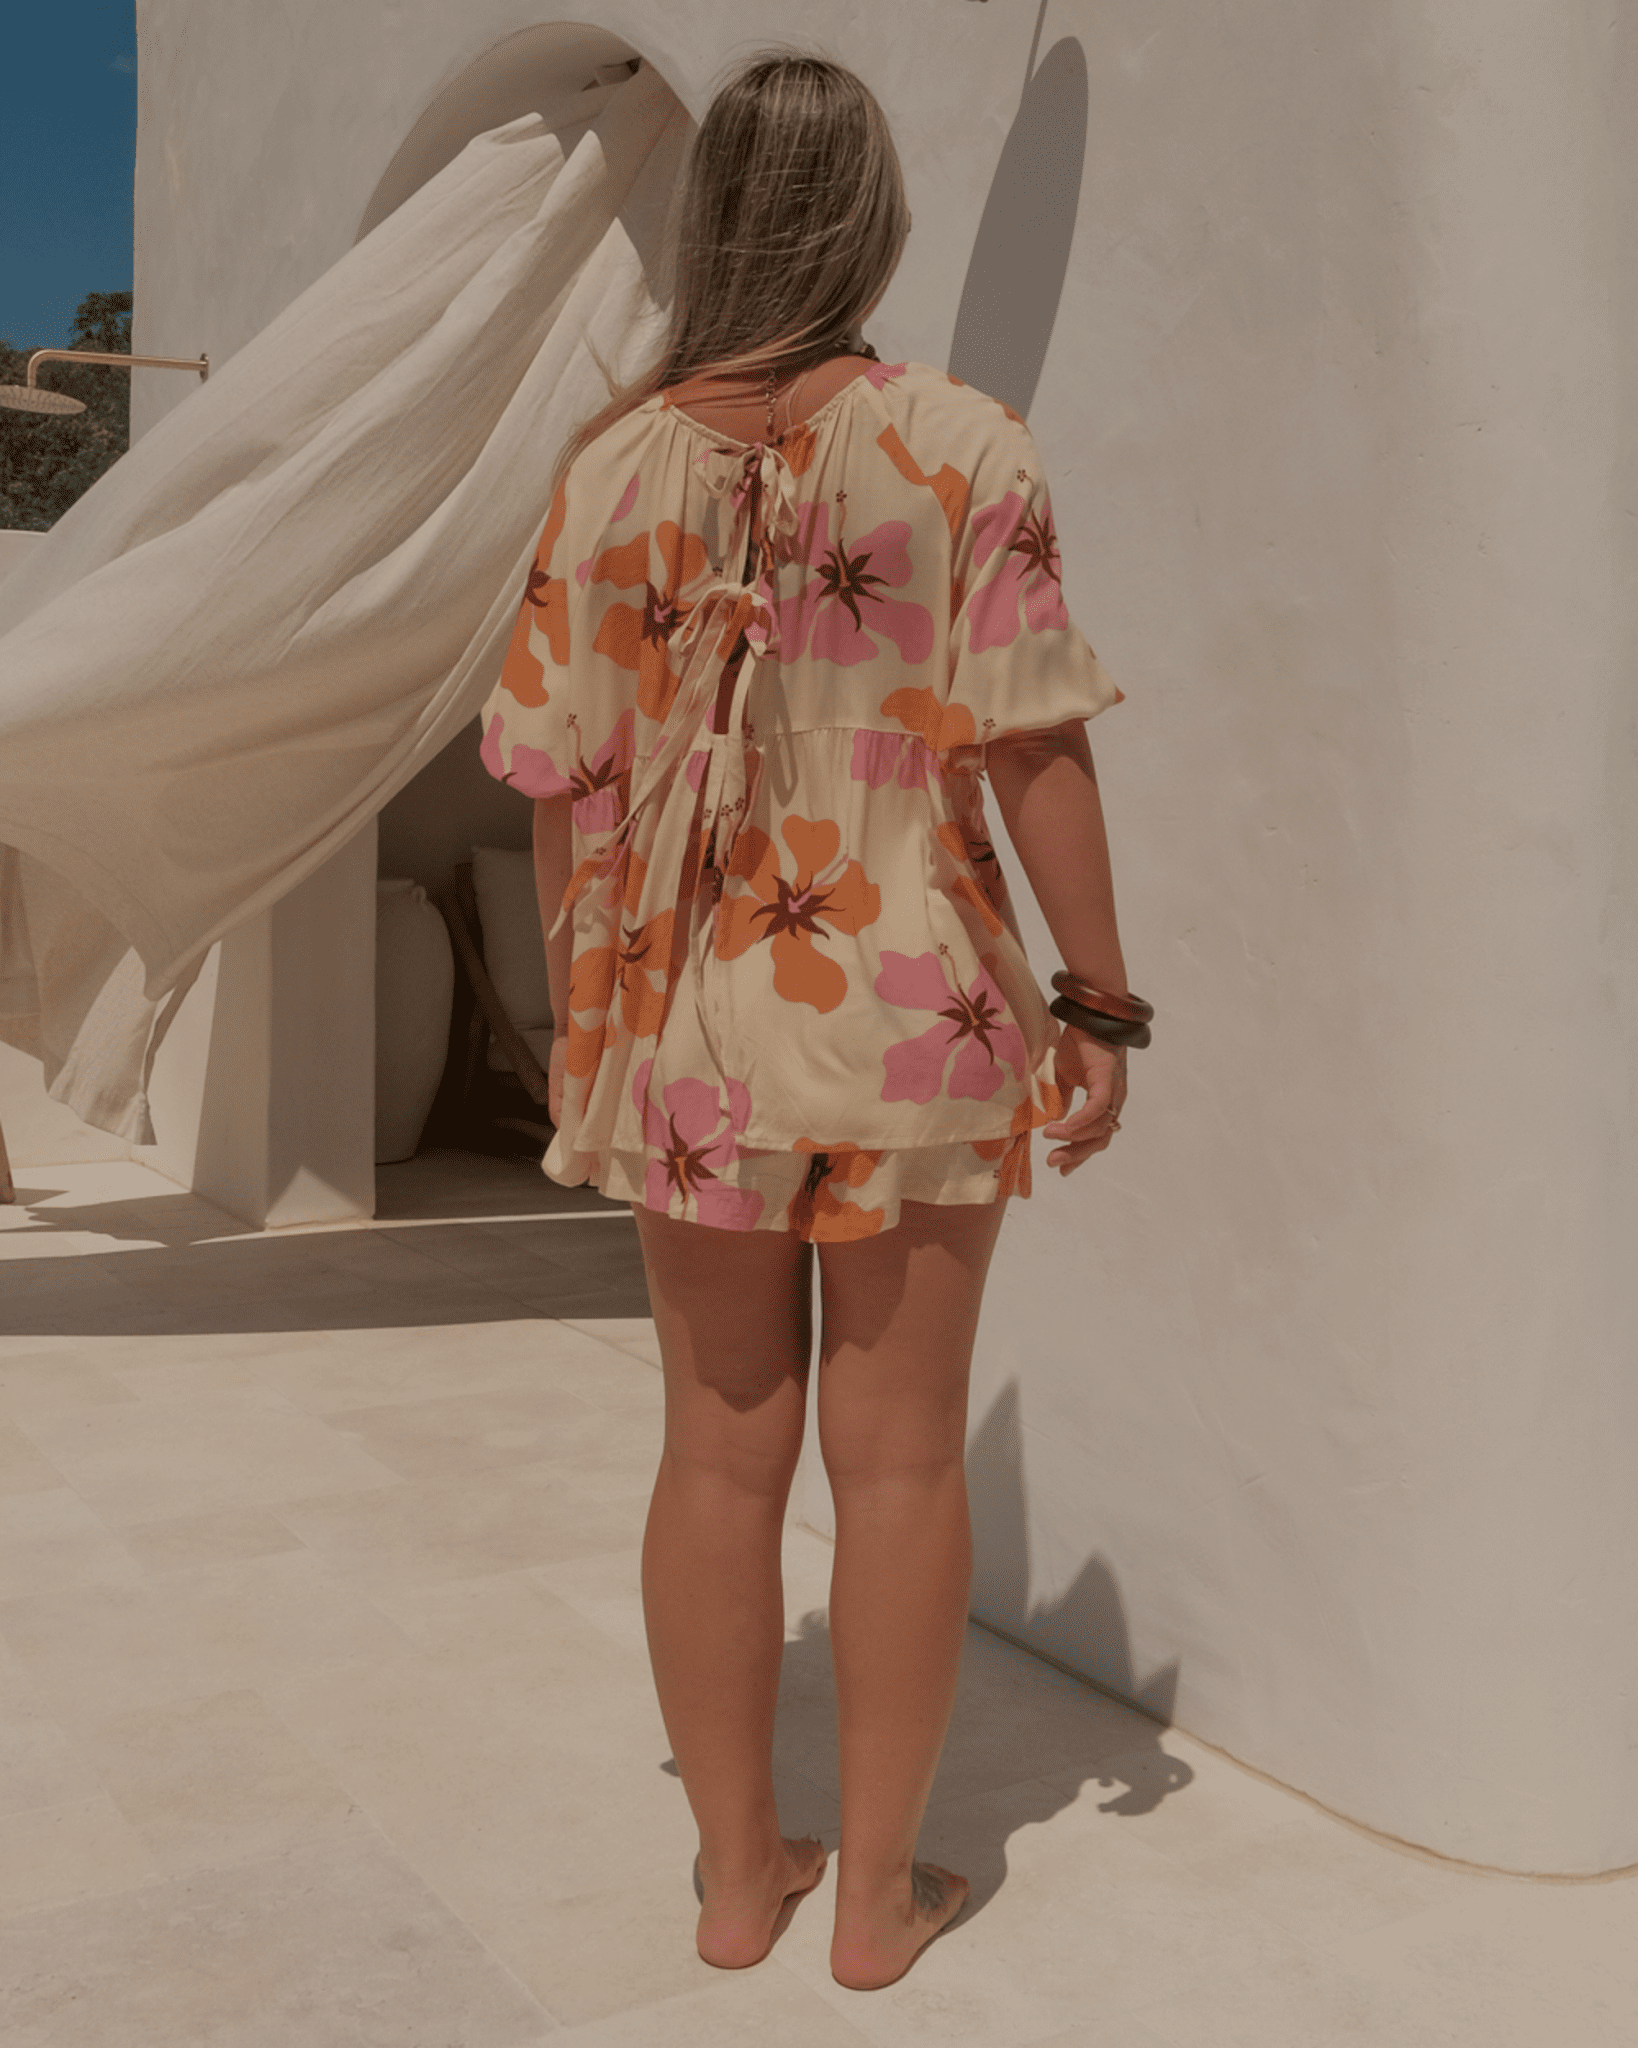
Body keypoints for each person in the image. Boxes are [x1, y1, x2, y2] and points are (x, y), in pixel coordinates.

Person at [479, 47, 1144, 1991]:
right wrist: (1099, 994)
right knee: (904, 1458)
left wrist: (586, 1013)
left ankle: (733, 1880)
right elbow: (1032, 747)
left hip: (686, 1019)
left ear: (708, 225)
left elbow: (555, 783)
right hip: (914, 1008)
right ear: (874, 221)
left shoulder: (605, 471)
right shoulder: (959, 443)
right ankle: (873, 1900)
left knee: (714, 1447)